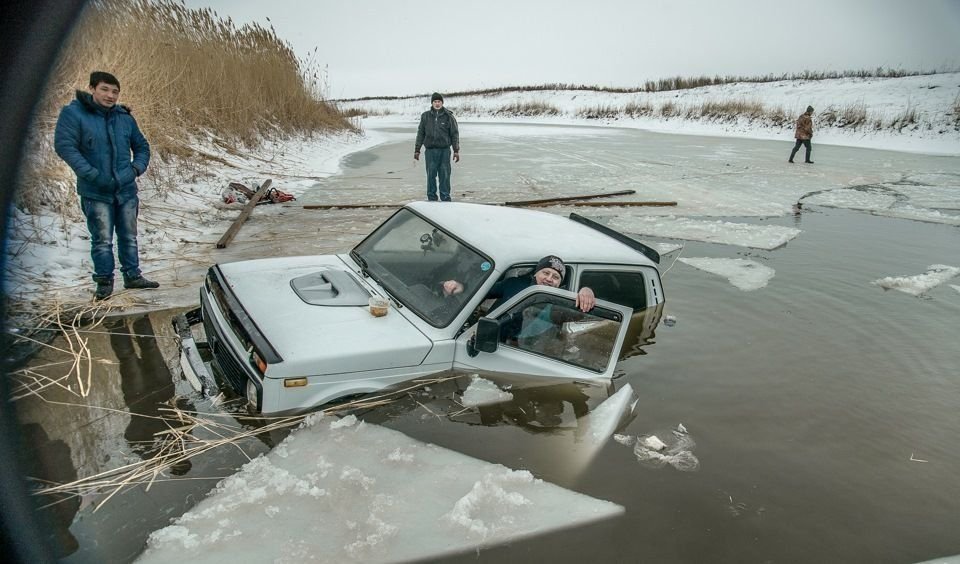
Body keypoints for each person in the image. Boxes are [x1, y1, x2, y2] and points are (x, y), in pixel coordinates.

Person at [54, 71, 158, 300]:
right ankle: (104, 282)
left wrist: (134, 170)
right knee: (102, 239)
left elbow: (142, 147)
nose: (110, 95)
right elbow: (65, 146)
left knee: (129, 236)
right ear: (92, 88)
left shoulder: (124, 117)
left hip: (126, 189)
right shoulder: (74, 114)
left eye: (115, 92)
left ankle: (133, 276)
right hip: (96, 190)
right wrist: (92, 175)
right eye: (105, 89)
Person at [414, 92, 460, 202]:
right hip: (430, 151)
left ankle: (445, 197)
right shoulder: (425, 116)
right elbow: (421, 133)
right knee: (431, 176)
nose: (437, 103)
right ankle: (432, 198)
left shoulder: (449, 116)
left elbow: (454, 134)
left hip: (444, 151)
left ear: (442, 103)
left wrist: (456, 150)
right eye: (435, 101)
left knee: (444, 175)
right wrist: (417, 150)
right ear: (432, 103)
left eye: (439, 101)